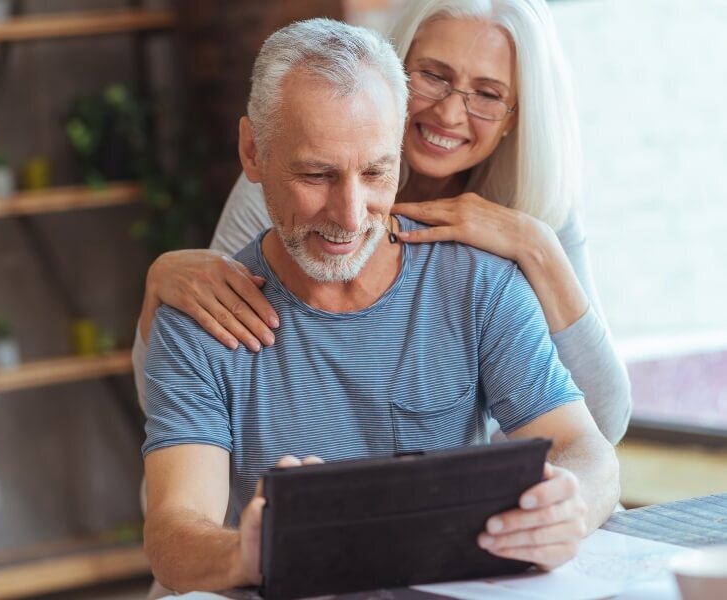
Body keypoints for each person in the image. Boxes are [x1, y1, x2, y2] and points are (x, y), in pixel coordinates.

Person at [142, 18, 619, 593]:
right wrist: (246, 552)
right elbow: (173, 530)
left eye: (375, 171)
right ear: (253, 152)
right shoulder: (203, 315)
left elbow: (588, 447)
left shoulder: (480, 281)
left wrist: (573, 503)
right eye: (316, 175)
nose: (349, 214)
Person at [133, 0, 631, 444]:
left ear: (514, 117)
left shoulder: (536, 208)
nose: (450, 113)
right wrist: (162, 284)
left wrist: (537, 247)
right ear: (394, 70)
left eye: (487, 94)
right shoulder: (287, 180)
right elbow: (183, 378)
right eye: (434, 75)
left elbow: (604, 422)